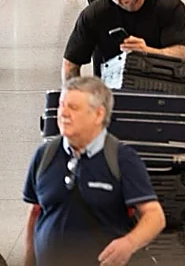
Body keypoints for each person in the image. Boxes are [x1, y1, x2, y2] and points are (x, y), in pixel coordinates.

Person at [23, 76, 165, 266]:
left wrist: (129, 243)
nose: (63, 113)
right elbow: (35, 211)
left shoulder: (122, 159)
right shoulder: (44, 155)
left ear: (98, 114)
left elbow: (155, 216)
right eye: (61, 105)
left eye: (73, 107)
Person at [62, 0, 185, 81]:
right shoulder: (94, 15)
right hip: (110, 89)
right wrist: (76, 93)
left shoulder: (169, 7)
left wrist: (146, 51)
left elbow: (179, 55)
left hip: (161, 85)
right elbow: (70, 65)